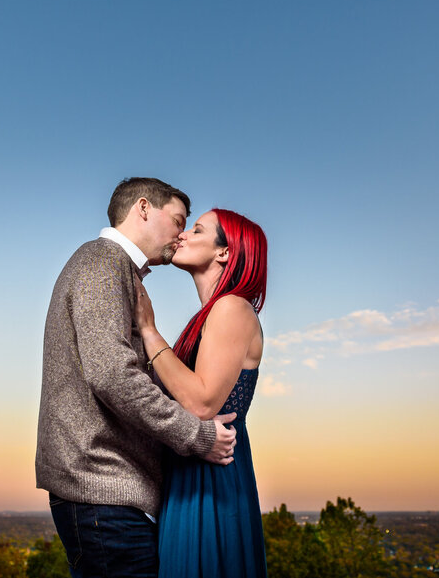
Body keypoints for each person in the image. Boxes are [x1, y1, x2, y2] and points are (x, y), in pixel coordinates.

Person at [36, 177, 239, 578]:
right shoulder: (103, 263)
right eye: (179, 220)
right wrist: (197, 436)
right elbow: (112, 374)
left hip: (108, 494)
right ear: (144, 208)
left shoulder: (117, 270)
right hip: (101, 492)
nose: (181, 234)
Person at [135, 208, 269, 578]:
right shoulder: (211, 314)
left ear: (224, 252)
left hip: (213, 479)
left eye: (196, 230)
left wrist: (149, 332)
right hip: (191, 470)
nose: (183, 235)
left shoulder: (232, 307)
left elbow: (201, 402)